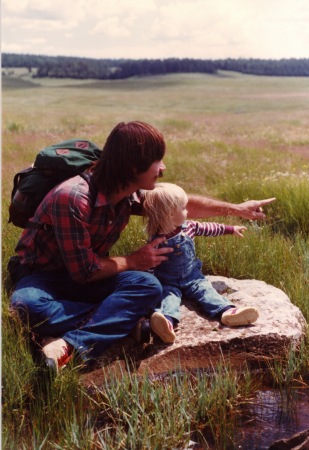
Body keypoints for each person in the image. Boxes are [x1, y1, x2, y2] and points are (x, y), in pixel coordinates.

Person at [9, 121, 275, 372]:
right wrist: (134, 261)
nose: (163, 168)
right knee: (28, 306)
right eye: (156, 161)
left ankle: (69, 344)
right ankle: (127, 324)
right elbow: (84, 272)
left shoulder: (126, 192)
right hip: (42, 275)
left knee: (148, 286)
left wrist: (236, 210)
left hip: (86, 277)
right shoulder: (73, 198)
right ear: (132, 167)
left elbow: (178, 205)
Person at [143, 182, 260, 344]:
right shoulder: (156, 242)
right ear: (169, 214)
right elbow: (149, 266)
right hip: (167, 281)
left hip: (192, 276)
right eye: (183, 208)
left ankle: (228, 312)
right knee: (169, 299)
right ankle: (166, 323)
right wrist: (149, 288)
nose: (188, 211)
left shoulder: (188, 227)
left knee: (206, 291)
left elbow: (208, 228)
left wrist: (230, 229)